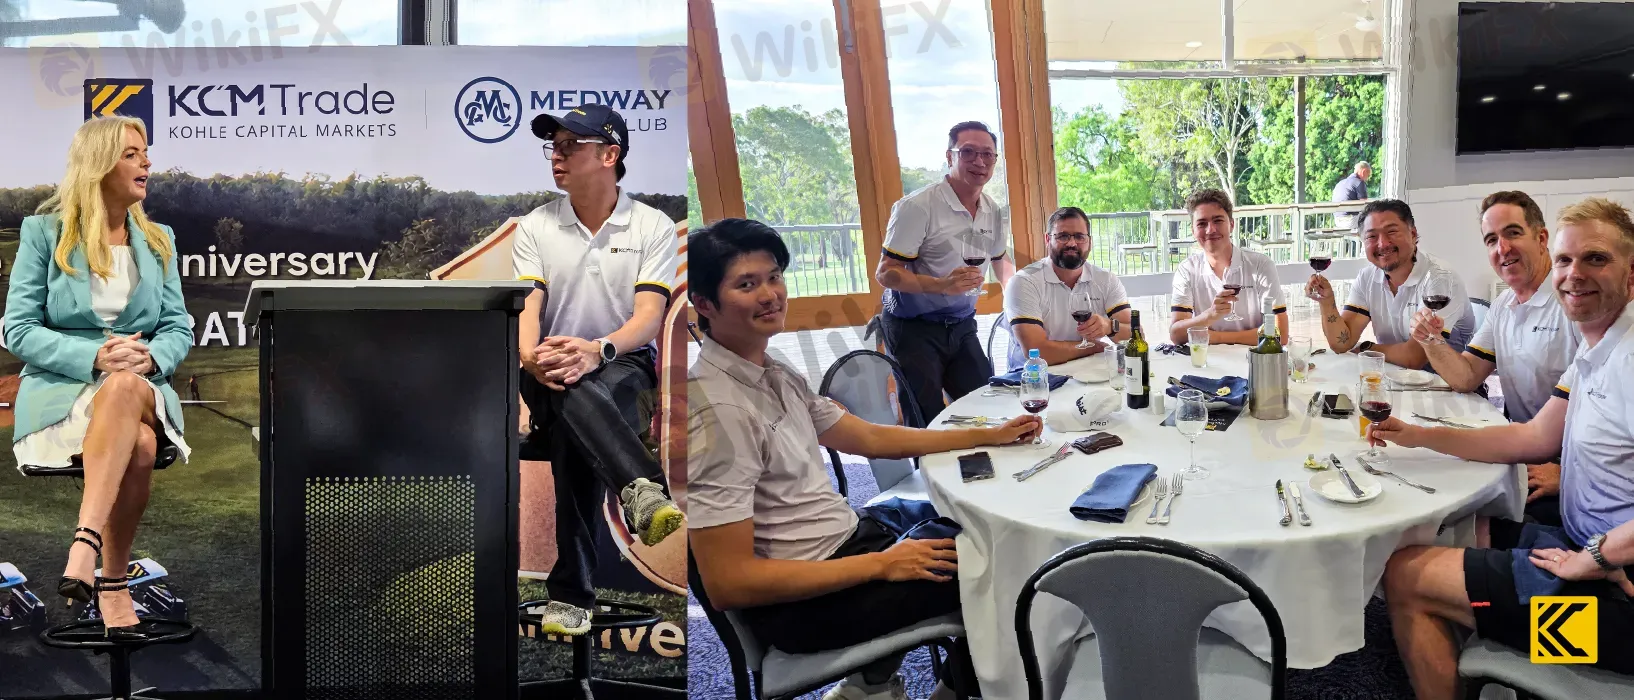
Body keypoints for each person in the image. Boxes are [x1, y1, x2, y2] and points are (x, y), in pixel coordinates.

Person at [688, 218, 1041, 700]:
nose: (770, 295)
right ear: (705, 303)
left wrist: (988, 435)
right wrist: (883, 565)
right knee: (1015, 573)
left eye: (773, 277)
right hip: (805, 602)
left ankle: (871, 687)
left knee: (987, 527)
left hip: (847, 541)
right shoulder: (715, 411)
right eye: (746, 285)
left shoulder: (771, 369)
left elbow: (868, 437)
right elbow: (730, 583)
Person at [1368, 197, 1634, 700]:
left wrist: (1596, 557)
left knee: (1403, 576)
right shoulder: (1596, 348)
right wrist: (1420, 436)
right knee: (1457, 526)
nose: (1574, 275)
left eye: (1596, 259)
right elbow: (1533, 438)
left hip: (1616, 608)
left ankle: (1493, 631)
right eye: (1566, 260)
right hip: (1577, 545)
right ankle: (1483, 627)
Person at [4, 116, 193, 640]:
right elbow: (18, 329)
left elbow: (178, 326)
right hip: (63, 395)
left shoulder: (159, 240)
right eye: (132, 153)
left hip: (141, 387)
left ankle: (84, 544)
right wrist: (95, 356)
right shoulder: (44, 234)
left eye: (145, 153)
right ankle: (113, 584)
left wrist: (150, 358)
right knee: (140, 444)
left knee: (128, 387)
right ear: (99, 164)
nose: (147, 162)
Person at [513, 104, 683, 636]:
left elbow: (649, 318)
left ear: (610, 155)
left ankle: (571, 595)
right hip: (547, 365)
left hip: (622, 364)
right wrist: (529, 355)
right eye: (554, 146)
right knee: (571, 386)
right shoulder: (536, 225)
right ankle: (643, 488)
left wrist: (598, 349)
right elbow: (528, 309)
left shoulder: (652, 225)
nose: (556, 156)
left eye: (570, 146)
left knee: (575, 427)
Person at [1410, 191, 1580, 525]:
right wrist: (1430, 340)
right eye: (1491, 240)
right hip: (1520, 446)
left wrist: (1568, 473)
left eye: (1513, 233)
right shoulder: (1503, 306)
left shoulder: (1573, 303)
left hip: (1564, 464)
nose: (1502, 248)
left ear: (1541, 238)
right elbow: (1466, 376)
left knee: (1456, 513)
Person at [876, 121, 1016, 424]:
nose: (979, 161)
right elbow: (886, 273)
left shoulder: (992, 210)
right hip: (913, 328)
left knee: (986, 409)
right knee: (925, 419)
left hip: (961, 324)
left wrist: (1018, 304)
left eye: (988, 154)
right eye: (968, 152)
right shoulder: (917, 206)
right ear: (949, 156)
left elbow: (1000, 260)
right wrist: (941, 285)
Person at [1306, 199, 1475, 366]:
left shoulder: (1440, 278)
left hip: (1443, 381)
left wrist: (1366, 348)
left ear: (1413, 234)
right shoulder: (1367, 277)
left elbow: (1414, 358)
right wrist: (1327, 303)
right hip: (1393, 376)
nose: (1383, 244)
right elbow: (1342, 343)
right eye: (1372, 236)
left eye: (1392, 232)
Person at [1003, 206, 1132, 370]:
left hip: (1086, 371)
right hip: (1034, 377)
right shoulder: (1024, 282)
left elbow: (1136, 334)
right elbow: (1037, 352)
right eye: (1063, 236)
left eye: (1079, 237)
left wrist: (1110, 327)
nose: (1071, 243)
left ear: (1089, 241)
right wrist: (1094, 347)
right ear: (1047, 239)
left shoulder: (1106, 280)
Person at [1167, 189, 1290, 346]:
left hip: (1254, 357)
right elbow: (1176, 335)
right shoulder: (1187, 270)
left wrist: (1216, 337)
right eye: (1202, 223)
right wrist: (1209, 315)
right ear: (1193, 230)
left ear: (1231, 225)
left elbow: (1281, 334)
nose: (1210, 230)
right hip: (1208, 359)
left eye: (1218, 220)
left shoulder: (1260, 265)